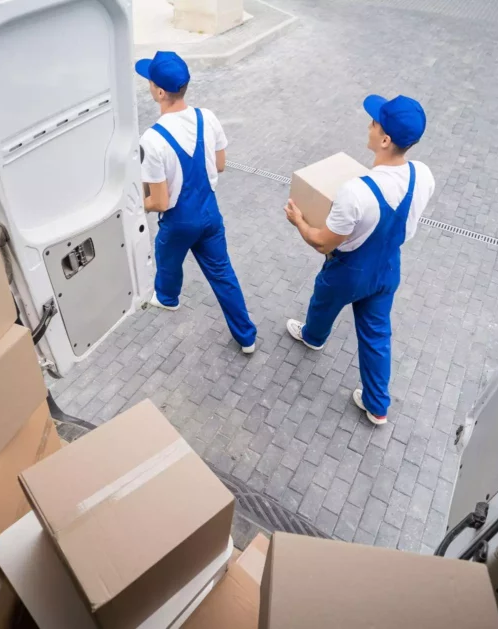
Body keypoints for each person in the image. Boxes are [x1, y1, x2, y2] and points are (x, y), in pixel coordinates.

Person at [284, 95, 435, 425]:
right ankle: (377, 405)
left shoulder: (356, 191)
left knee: (323, 301)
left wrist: (299, 220)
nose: (368, 125)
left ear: (384, 139)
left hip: (349, 271)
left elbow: (322, 242)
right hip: (388, 268)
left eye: (374, 123)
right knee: (377, 334)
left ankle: (313, 337)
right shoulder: (423, 175)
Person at [136, 51, 258, 354]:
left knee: (167, 259)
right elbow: (219, 165)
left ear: (160, 92)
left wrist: (139, 206)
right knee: (222, 273)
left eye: (150, 82)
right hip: (209, 213)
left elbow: (161, 201)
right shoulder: (207, 117)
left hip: (178, 221)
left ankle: (167, 299)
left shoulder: (152, 140)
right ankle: (247, 337)